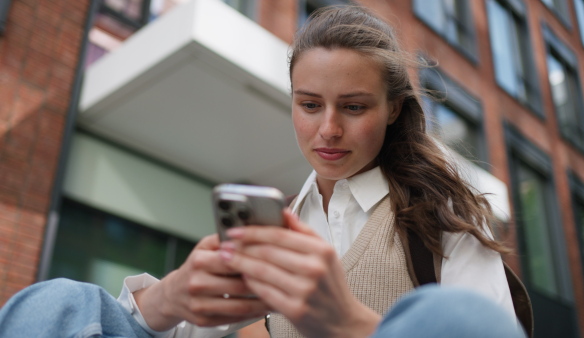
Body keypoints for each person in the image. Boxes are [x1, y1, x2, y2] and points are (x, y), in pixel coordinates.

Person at [0, 5, 527, 338]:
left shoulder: (441, 218)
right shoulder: (277, 223)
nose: (328, 130)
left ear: (392, 108)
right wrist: (174, 294)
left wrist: (344, 323)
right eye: (310, 104)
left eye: (354, 107)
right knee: (60, 304)